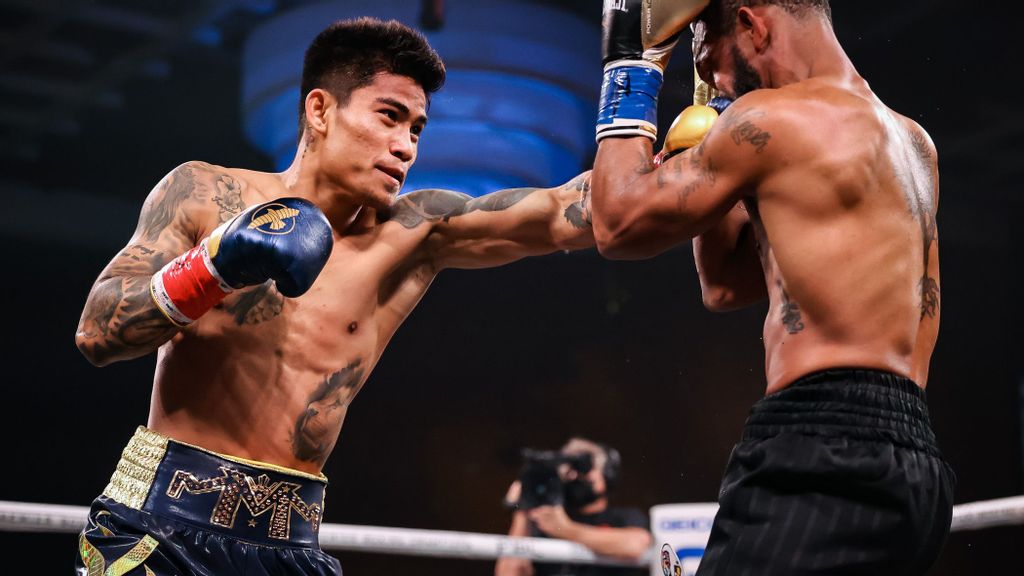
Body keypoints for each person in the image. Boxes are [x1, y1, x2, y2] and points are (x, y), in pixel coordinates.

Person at [74, 17, 595, 575]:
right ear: (320, 110)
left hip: (292, 545)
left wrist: (642, 93)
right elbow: (97, 332)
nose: (406, 147)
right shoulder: (204, 193)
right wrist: (215, 265)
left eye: (417, 129)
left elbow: (569, 212)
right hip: (161, 528)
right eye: (389, 116)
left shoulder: (416, 234)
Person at [588, 1, 955, 575]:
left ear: (752, 26)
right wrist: (701, 142)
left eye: (709, 62)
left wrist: (629, 64)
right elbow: (725, 287)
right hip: (916, 467)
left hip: (822, 448)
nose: (714, 86)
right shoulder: (913, 142)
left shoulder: (773, 119)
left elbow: (617, 224)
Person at [495, 437, 652, 576]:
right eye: (568, 469)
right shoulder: (544, 525)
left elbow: (637, 545)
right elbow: (508, 573)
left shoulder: (624, 518)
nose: (575, 475)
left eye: (583, 467)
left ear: (606, 475)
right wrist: (524, 508)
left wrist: (566, 529)